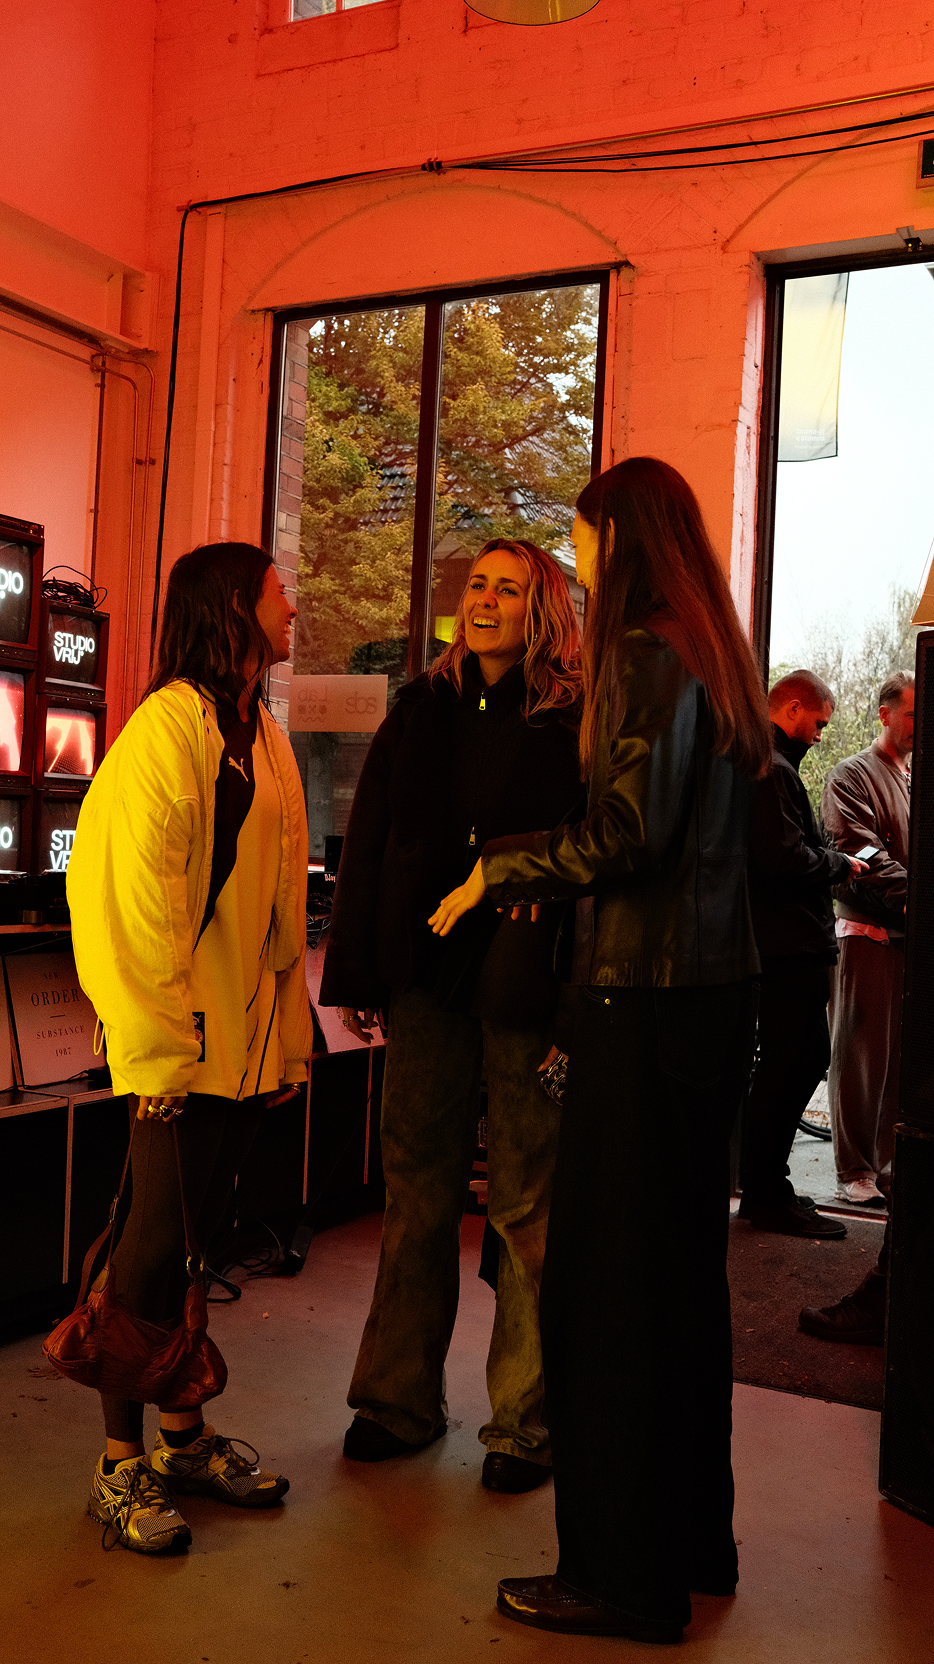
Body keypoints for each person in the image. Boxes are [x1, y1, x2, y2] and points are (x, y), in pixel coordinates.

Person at [430, 457, 772, 1643]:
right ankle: (688, 1541)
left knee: (603, 1300)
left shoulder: (637, 652)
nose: (575, 561)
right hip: (710, 1003)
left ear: (618, 536)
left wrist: (496, 868)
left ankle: (620, 1578)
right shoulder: (714, 652)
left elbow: (624, 833)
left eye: (580, 540)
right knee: (678, 1290)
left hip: (640, 1000)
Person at [320, 539, 585, 1493]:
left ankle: (523, 1424)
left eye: (506, 590)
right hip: (426, 984)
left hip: (525, 983)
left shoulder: (572, 719)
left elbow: (590, 861)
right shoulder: (418, 710)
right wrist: (355, 976)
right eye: (476, 585)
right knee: (417, 1189)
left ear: (540, 610)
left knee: (524, 1205)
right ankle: (396, 1401)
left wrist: (579, 1003)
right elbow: (372, 847)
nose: (483, 601)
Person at [66, 542, 311, 1553]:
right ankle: (116, 1464)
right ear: (233, 609)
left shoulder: (253, 729)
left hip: (235, 1050)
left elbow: (276, 914)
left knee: (195, 1247)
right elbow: (125, 903)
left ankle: (181, 1436)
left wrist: (281, 1042)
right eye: (276, 590)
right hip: (180, 1051)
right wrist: (160, 1051)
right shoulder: (164, 732)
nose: (291, 604)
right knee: (147, 1257)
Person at [738, 670, 864, 1238]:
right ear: (790, 708)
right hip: (788, 949)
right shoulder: (771, 771)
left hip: (789, 945)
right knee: (789, 1066)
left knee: (801, 1060)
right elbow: (782, 861)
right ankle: (764, 1192)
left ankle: (771, 1184)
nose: (819, 735)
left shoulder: (770, 767)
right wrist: (840, 864)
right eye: (818, 723)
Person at [820, 670, 914, 1205]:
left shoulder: (914, 777)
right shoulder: (850, 775)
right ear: (883, 714)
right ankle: (853, 1170)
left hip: (907, 939)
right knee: (859, 1057)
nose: (918, 725)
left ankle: (883, 1165)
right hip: (866, 935)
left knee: (898, 1061)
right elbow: (863, 857)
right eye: (910, 713)